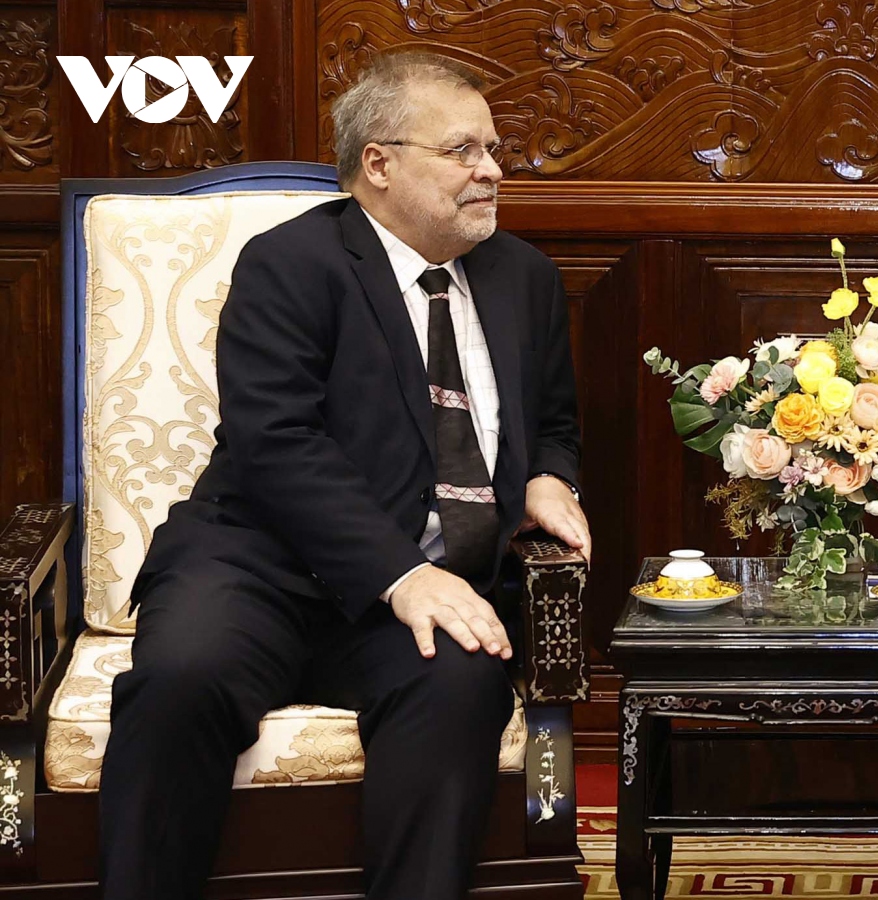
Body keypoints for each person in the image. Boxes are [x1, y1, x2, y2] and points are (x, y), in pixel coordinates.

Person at [97, 51, 591, 900]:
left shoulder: (525, 278)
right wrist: (401, 574)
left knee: (461, 685)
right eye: (463, 150)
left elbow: (553, 423)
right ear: (379, 164)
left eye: (493, 149)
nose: (491, 170)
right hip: (257, 569)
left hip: (422, 590)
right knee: (180, 681)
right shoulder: (290, 263)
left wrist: (549, 478)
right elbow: (276, 443)